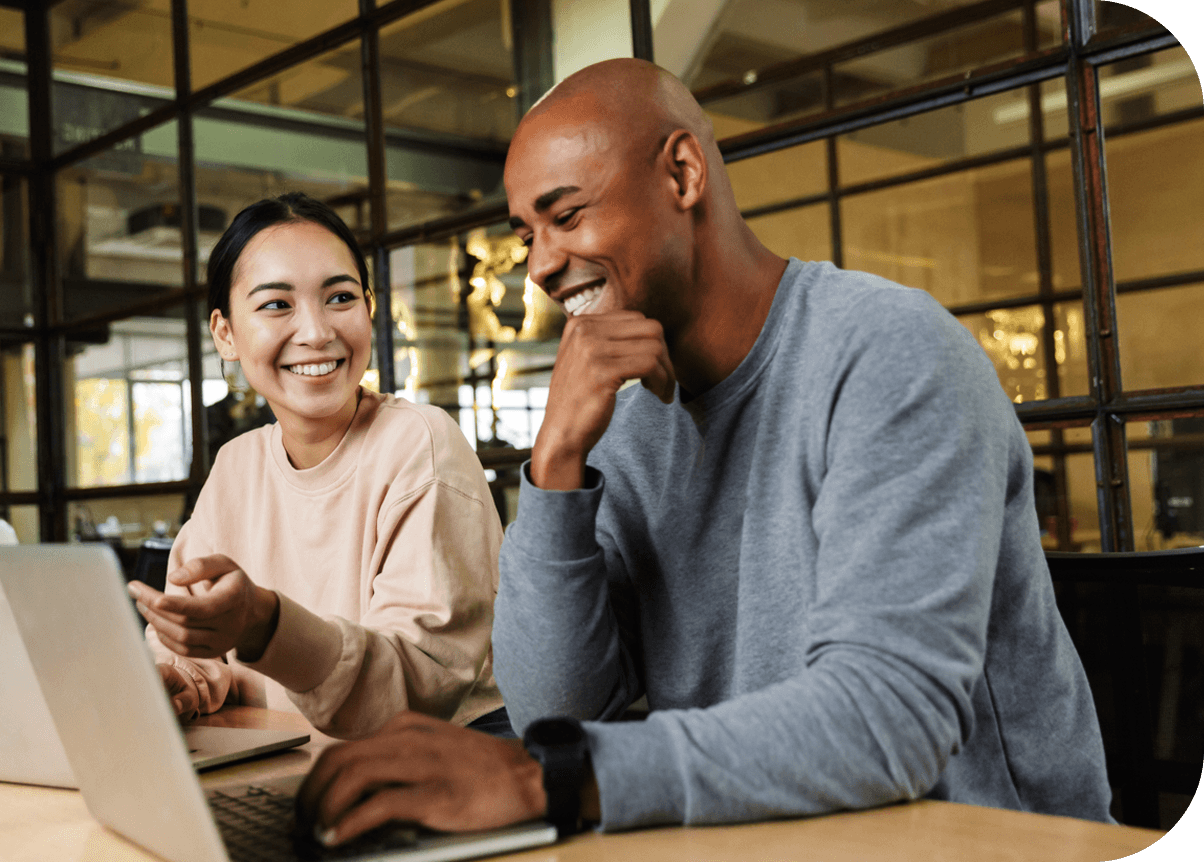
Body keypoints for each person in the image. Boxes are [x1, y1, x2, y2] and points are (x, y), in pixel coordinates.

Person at [294, 58, 1112, 843]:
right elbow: (562, 710)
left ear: (683, 175)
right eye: (526, 233)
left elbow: (889, 720)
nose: (539, 265)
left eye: (566, 214)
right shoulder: (626, 421)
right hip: (761, 841)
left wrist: (537, 778)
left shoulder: (887, 351)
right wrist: (554, 467)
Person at [127, 193, 508, 740]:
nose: (317, 331)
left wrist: (265, 623)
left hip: (441, 760)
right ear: (226, 334)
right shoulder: (237, 465)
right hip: (292, 751)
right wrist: (180, 676)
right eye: (277, 305)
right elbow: (189, 635)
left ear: (370, 310)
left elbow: (412, 686)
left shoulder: (420, 443)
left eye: (340, 297)